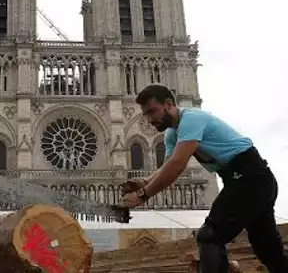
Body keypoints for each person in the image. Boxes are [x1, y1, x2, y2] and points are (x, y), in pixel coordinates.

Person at [118, 84, 288, 273]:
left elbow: (177, 165)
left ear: (168, 104)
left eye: (152, 111)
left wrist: (143, 195)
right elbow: (167, 166)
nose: (150, 119)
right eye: (146, 114)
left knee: (210, 235)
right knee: (268, 250)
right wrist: (144, 181)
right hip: (246, 180)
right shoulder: (171, 134)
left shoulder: (192, 119)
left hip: (250, 177)